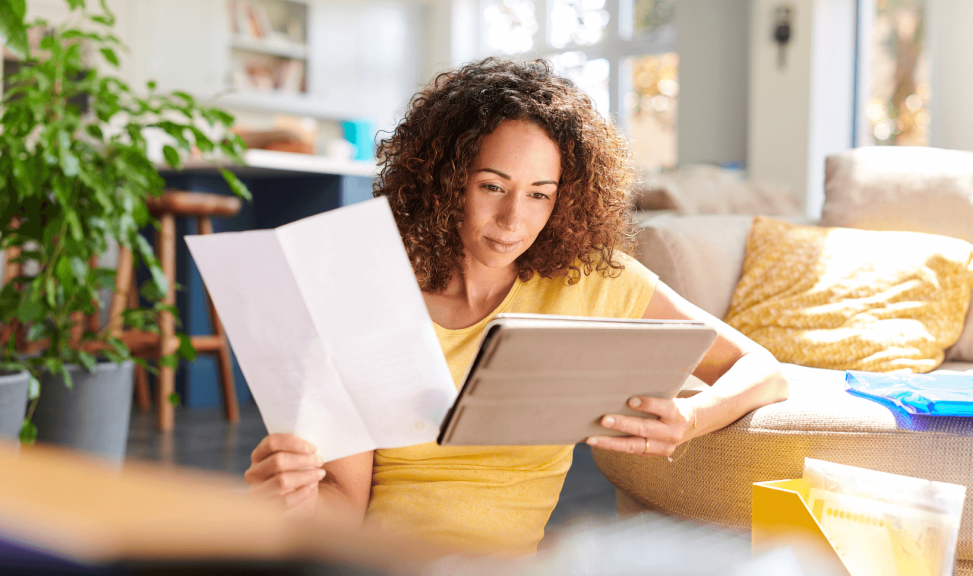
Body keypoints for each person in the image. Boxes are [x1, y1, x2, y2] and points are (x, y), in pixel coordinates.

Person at [244, 58, 789, 556]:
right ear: (445, 179)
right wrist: (293, 497)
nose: (512, 221)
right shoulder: (369, 292)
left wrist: (692, 418)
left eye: (539, 194)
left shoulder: (591, 279)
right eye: (492, 186)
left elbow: (762, 370)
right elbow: (343, 505)